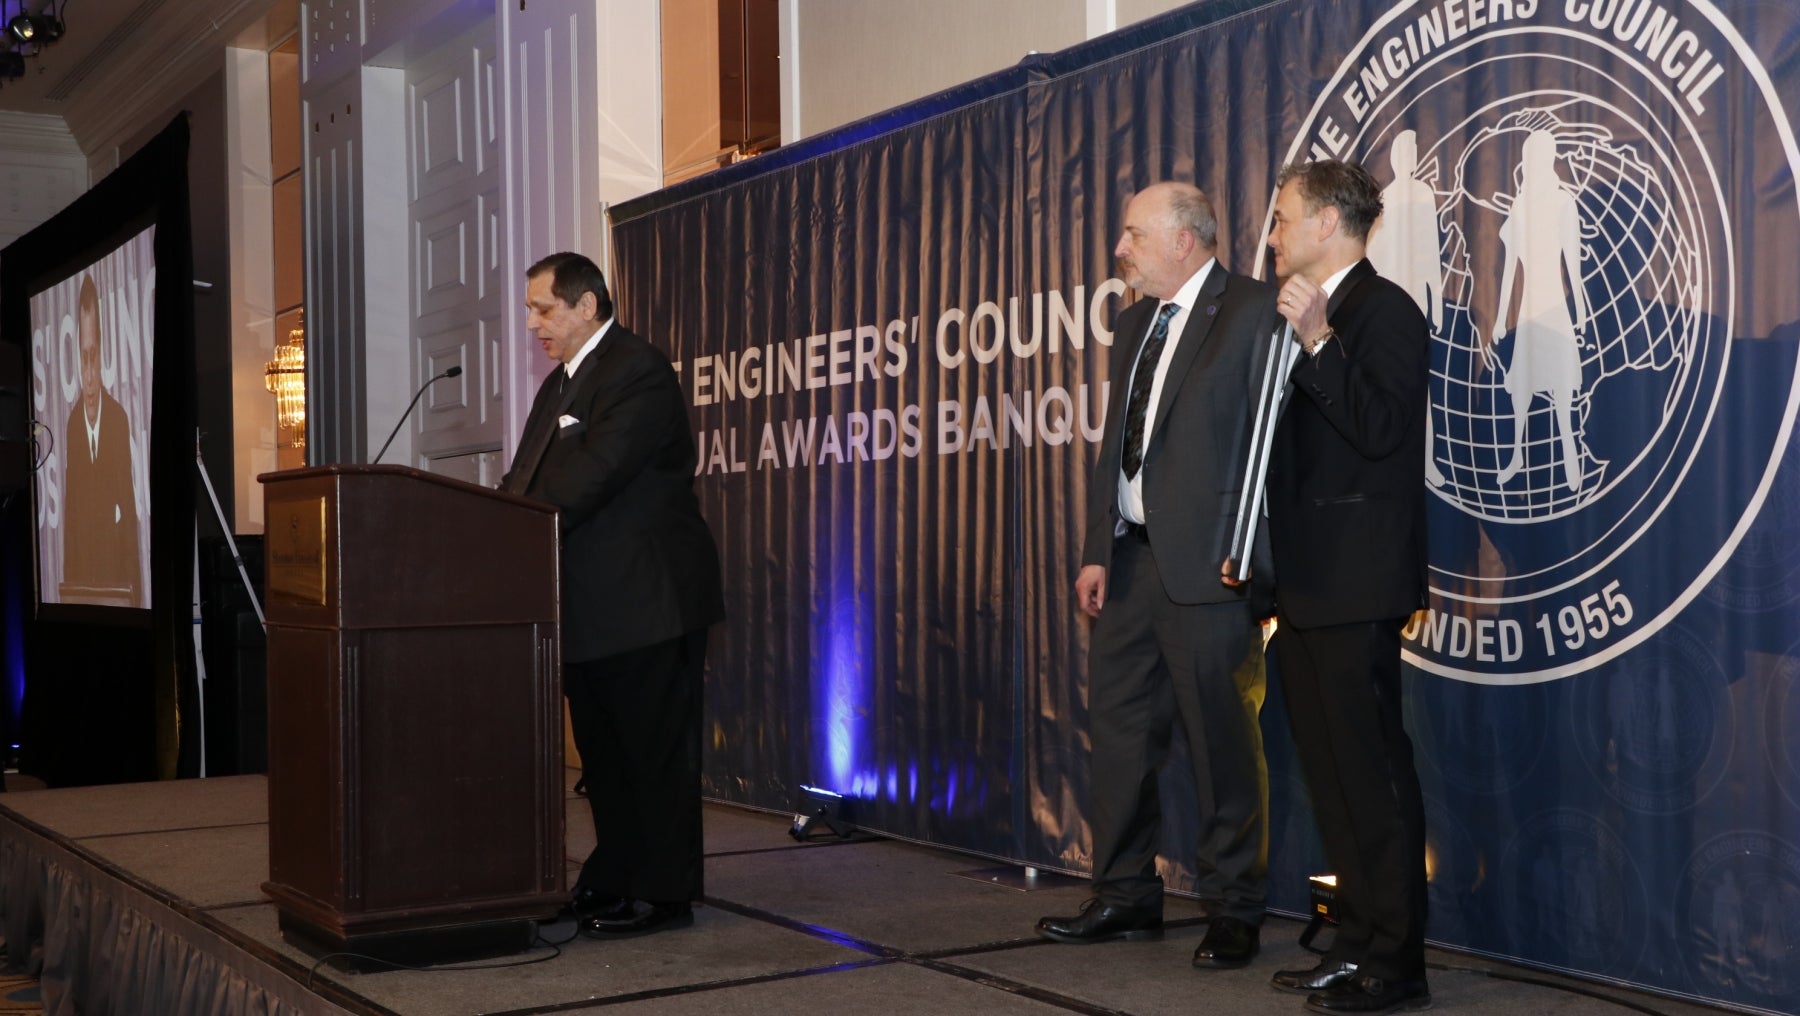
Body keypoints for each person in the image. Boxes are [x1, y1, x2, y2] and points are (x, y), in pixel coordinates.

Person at [1035, 182, 1277, 970]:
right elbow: (1120, 444)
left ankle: (1234, 906)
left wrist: (1253, 557)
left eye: (1133, 234)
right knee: (1120, 736)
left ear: (1185, 240)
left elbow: (1269, 448)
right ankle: (1125, 894)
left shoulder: (1252, 312)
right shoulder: (1136, 319)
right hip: (1132, 560)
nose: (1120, 250)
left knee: (1221, 743)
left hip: (1213, 566)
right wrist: (1098, 546)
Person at [501, 252, 725, 938]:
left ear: (587, 306)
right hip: (590, 607)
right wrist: (493, 524)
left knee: (650, 754)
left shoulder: (637, 369)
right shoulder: (560, 384)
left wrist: (517, 518)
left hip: (645, 601)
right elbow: (524, 479)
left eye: (543, 308)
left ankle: (663, 894)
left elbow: (592, 477)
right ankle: (614, 875)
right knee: (604, 758)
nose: (532, 322)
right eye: (532, 309)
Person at [1260, 159, 1431, 1014]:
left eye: (1284, 217)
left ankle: (1397, 963)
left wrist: (1321, 342)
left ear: (1329, 223)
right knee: (1331, 780)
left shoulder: (1382, 311)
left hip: (1358, 585)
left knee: (1373, 778)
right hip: (1304, 588)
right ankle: (1357, 942)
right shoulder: (1303, 321)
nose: (1273, 233)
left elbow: (1382, 429)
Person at [62, 273, 142, 606]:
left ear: (103, 353)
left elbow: (128, 520)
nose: (90, 373)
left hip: (118, 598)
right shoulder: (70, 428)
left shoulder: (119, 420)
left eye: (94, 356)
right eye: (84, 358)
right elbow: (71, 523)